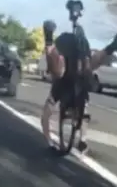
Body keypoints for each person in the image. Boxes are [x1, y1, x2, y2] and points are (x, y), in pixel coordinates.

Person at [41, 19, 117, 154]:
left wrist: (49, 142)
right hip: (77, 78)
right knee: (85, 70)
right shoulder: (82, 57)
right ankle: (111, 47)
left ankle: (49, 42)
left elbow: (45, 116)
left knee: (58, 74)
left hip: (68, 79)